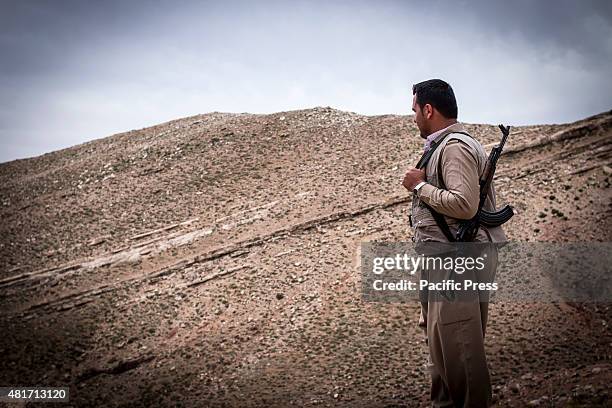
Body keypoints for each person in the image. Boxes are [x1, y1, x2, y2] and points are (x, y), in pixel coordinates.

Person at [402, 79, 506, 407]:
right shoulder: (442, 145)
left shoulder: (455, 146)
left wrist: (419, 188)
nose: (414, 116)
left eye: (415, 110)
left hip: (457, 264)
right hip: (445, 262)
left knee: (461, 358)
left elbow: (465, 204)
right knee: (445, 360)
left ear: (428, 109)